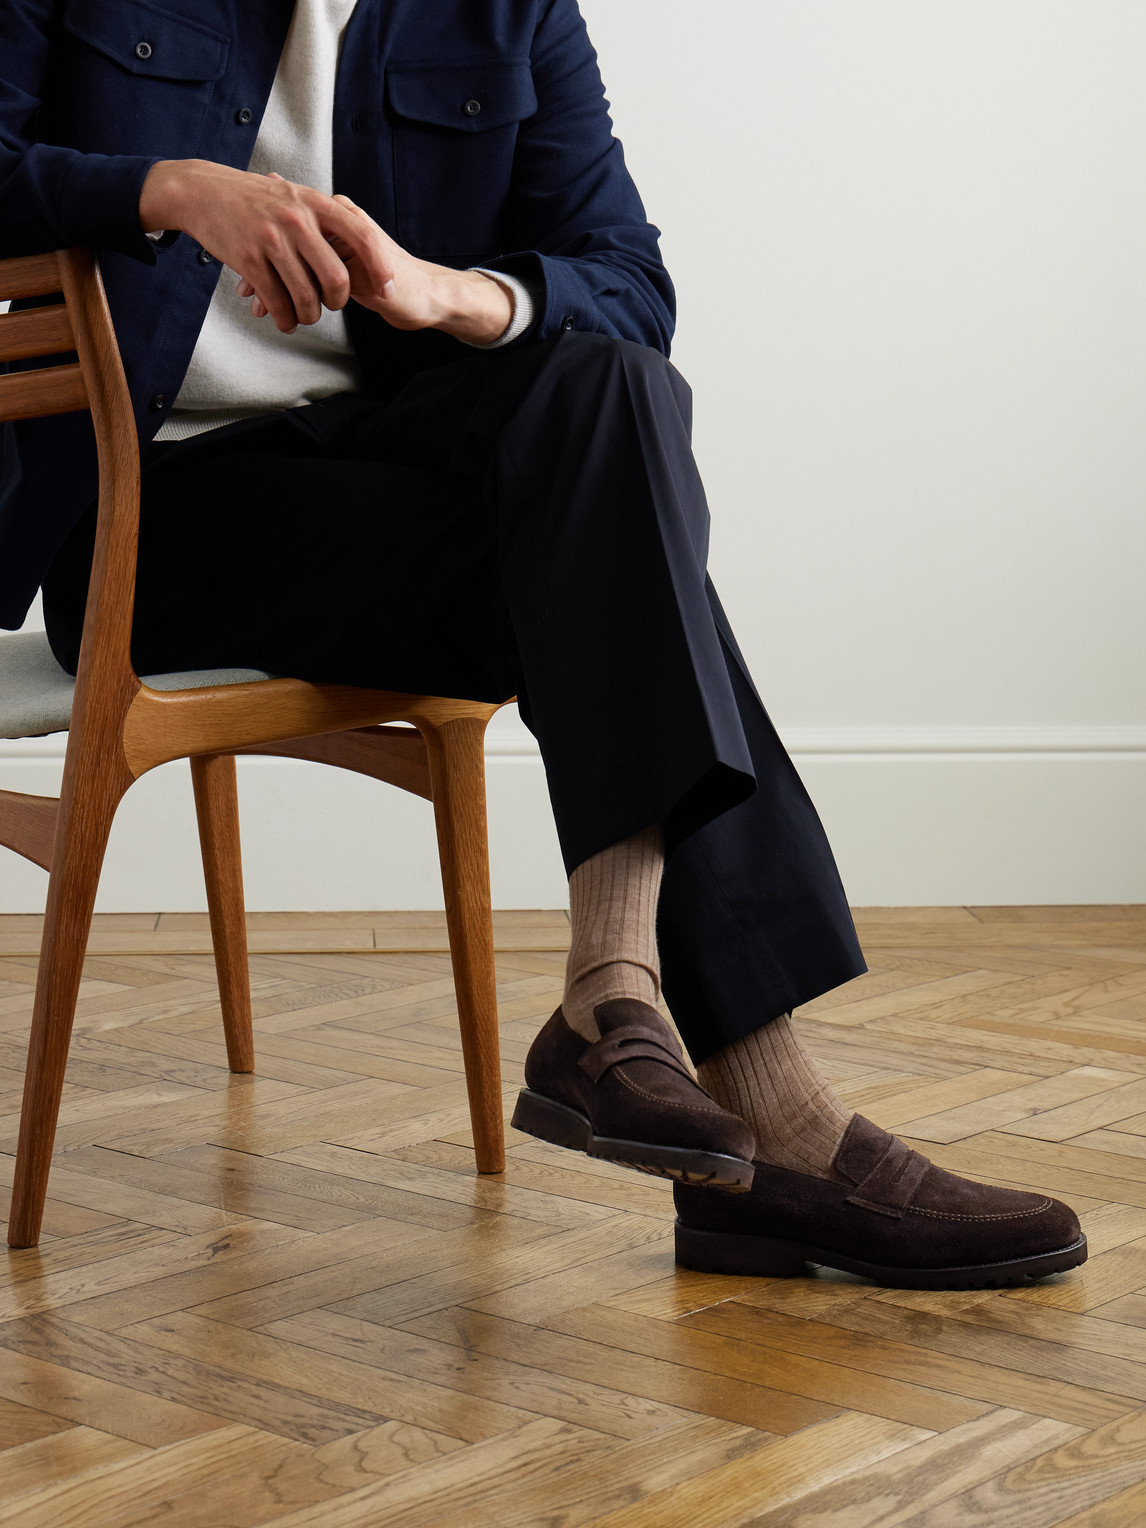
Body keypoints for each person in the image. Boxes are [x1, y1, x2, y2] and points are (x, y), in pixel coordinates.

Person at [0, 0, 1085, 1288]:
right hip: (149, 518)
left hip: (387, 496)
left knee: (612, 400)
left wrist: (457, 298)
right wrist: (167, 190)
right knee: (612, 544)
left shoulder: (508, 10)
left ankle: (616, 997)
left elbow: (629, 281)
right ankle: (765, 1111)